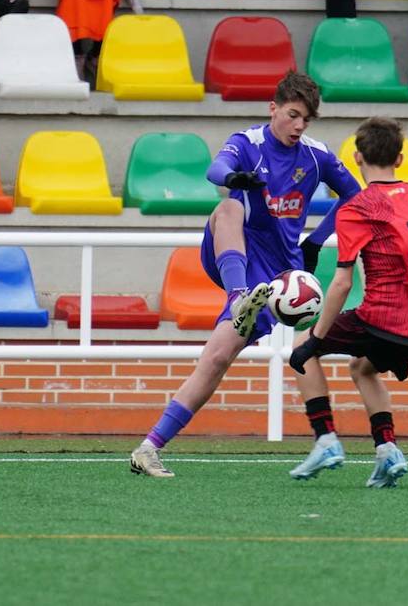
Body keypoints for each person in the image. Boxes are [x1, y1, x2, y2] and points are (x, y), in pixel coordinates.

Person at [129, 71, 363, 480]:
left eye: (306, 119)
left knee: (217, 357)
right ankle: (238, 294)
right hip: (231, 251)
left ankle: (148, 448)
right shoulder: (248, 143)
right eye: (292, 115)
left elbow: (355, 196)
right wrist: (234, 179)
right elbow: (215, 169)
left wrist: (315, 243)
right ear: (273, 108)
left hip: (276, 277)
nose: (299, 126)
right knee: (229, 208)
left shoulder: (315, 155)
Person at [289, 116, 408, 488]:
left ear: (356, 157)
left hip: (379, 317)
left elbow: (340, 283)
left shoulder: (359, 206)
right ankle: (388, 450)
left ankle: (326, 439)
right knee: (363, 369)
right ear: (400, 159)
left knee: (300, 348)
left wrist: (316, 339)